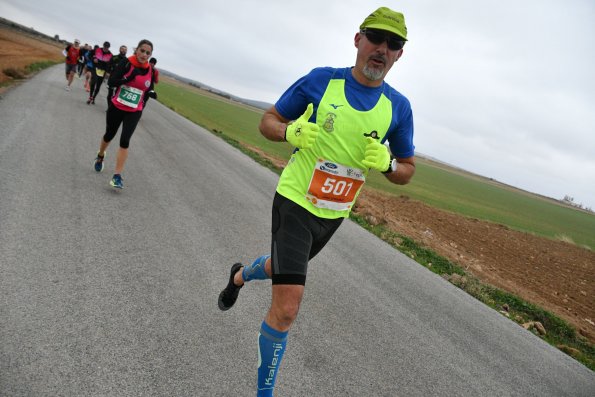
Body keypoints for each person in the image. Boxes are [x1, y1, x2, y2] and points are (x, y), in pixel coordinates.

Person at [217, 7, 415, 395]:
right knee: (288, 307)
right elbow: (267, 120)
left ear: (399, 55)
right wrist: (290, 131)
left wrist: (390, 163)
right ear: (358, 40)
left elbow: (407, 169)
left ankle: (240, 275)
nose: (382, 49)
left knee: (282, 268)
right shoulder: (321, 81)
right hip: (295, 201)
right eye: (375, 38)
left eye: (393, 44)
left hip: (334, 214)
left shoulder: (399, 107)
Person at [93, 39, 157, 189]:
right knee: (109, 134)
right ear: (136, 50)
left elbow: (149, 87)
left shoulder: (150, 70)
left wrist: (152, 92)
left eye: (148, 53)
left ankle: (117, 176)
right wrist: (128, 78)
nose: (144, 54)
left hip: (134, 110)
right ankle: (101, 154)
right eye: (142, 51)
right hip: (117, 106)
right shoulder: (126, 63)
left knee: (125, 141)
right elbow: (112, 82)